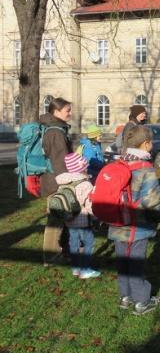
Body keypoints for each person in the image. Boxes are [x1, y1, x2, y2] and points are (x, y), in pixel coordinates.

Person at [109, 125, 160, 315]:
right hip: (137, 226)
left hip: (117, 222)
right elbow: (153, 200)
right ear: (146, 144)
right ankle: (142, 301)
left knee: (123, 261)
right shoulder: (145, 169)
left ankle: (125, 296)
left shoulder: (119, 163)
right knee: (136, 263)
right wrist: (158, 217)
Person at [40, 97, 73, 265]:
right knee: (55, 219)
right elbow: (60, 162)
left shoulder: (57, 129)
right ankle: (51, 257)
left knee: (62, 217)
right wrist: (69, 183)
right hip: (57, 182)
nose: (70, 113)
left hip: (55, 180)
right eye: (67, 110)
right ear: (56, 111)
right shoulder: (55, 133)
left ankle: (64, 251)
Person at [59, 152, 100, 279]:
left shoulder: (63, 182)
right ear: (82, 168)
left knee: (74, 243)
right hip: (83, 219)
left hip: (69, 219)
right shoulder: (85, 184)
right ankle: (85, 269)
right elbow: (90, 205)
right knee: (88, 242)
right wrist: (96, 218)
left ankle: (75, 268)